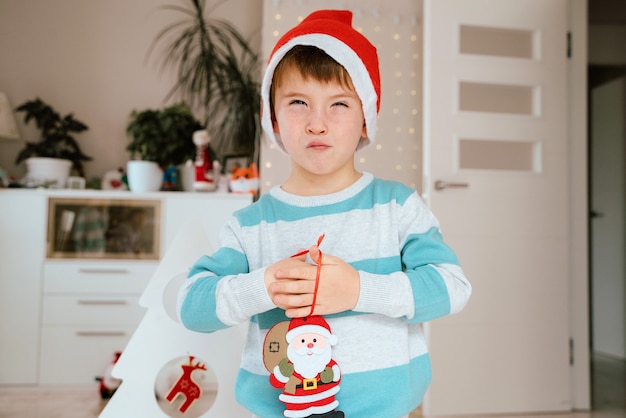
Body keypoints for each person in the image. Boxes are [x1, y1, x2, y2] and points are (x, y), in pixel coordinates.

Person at [177, 9, 471, 418]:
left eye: (338, 104)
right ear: (274, 118)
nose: (317, 123)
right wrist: (263, 287)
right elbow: (191, 305)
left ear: (366, 119)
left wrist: (358, 290)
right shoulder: (250, 225)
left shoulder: (398, 206)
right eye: (298, 102)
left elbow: (452, 287)